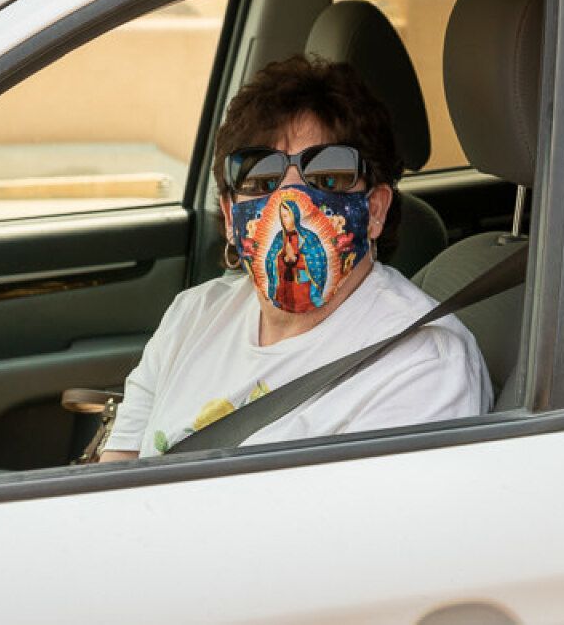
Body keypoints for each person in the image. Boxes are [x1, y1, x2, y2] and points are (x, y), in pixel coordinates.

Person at [100, 55, 490, 461]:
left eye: (327, 176)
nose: (290, 197)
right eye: (261, 177)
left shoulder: (423, 366)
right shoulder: (194, 314)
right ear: (233, 214)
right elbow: (115, 474)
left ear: (375, 210)